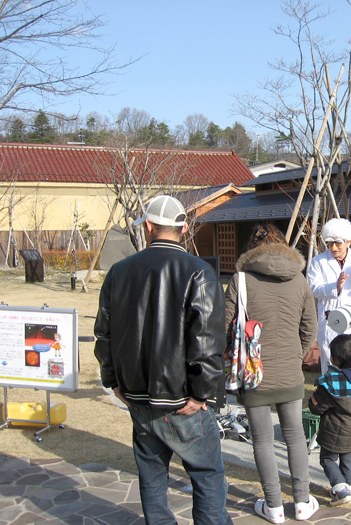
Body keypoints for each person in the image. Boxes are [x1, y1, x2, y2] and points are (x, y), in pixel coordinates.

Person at [94, 195, 232, 525]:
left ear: (149, 227)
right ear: (184, 228)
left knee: (152, 476)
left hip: (138, 396)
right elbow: (207, 341)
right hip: (181, 398)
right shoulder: (199, 272)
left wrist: (113, 380)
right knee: (207, 475)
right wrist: (201, 393)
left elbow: (104, 333)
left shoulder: (119, 271)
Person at [224, 224, 319, 524]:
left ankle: (274, 506)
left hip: (253, 372)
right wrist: (295, 353)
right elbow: (310, 328)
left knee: (262, 440)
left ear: (251, 248)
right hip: (290, 371)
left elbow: (227, 327)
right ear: (284, 245)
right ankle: (302, 503)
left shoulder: (241, 279)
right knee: (295, 438)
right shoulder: (300, 280)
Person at [308, 334, 351, 506]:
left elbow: (316, 407)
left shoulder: (330, 383)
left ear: (336, 360)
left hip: (333, 432)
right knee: (349, 459)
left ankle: (340, 489)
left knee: (328, 459)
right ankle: (350, 487)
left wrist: (313, 399)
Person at [307, 218, 351, 374]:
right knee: (330, 357)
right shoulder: (318, 261)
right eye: (329, 242)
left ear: (349, 241)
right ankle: (331, 390)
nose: (333, 247)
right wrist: (335, 287)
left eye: (338, 243)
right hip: (329, 318)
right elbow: (313, 288)